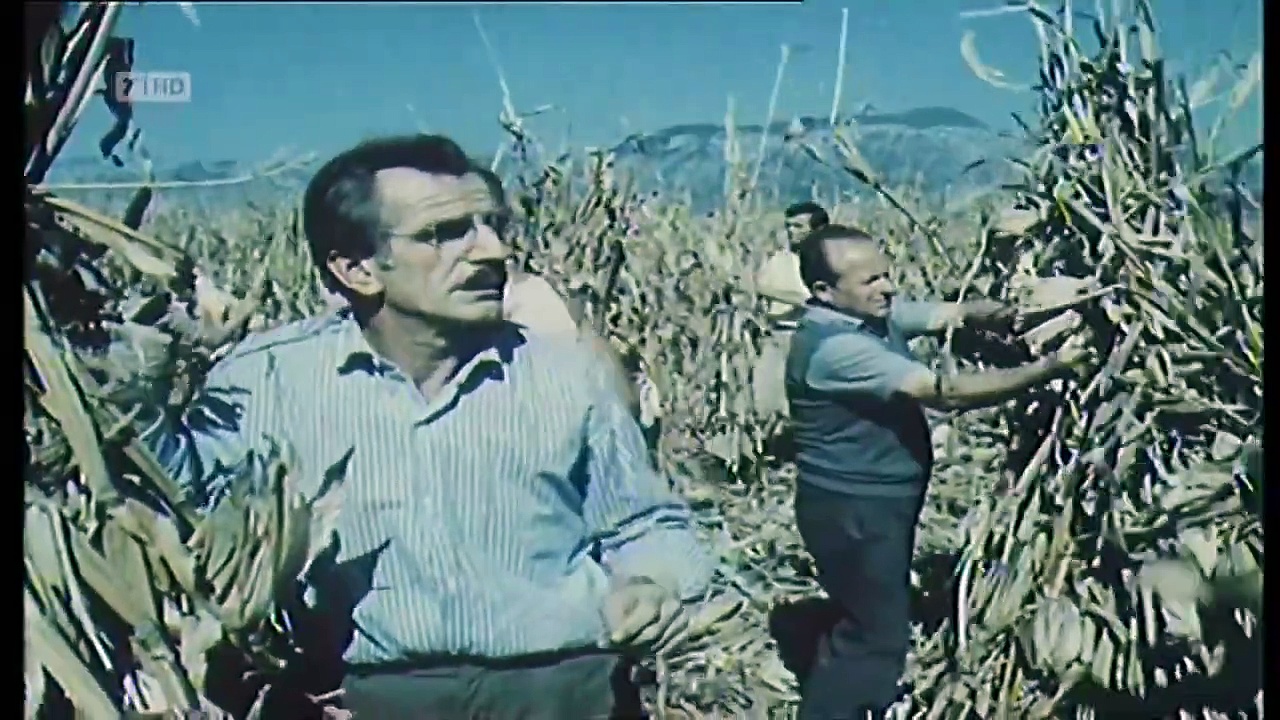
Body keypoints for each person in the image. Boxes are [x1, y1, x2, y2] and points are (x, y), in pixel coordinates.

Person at [137, 134, 714, 719]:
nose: (491, 250)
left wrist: (651, 583)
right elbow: (176, 509)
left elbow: (644, 521)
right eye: (444, 233)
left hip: (564, 692)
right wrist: (126, 384)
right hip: (360, 699)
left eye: (492, 225)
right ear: (357, 269)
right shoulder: (267, 380)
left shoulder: (567, 374)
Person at [784, 224, 1090, 719]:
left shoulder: (866, 315)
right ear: (824, 291)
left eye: (886, 275)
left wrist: (1005, 311)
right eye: (870, 281)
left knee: (868, 612)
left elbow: (945, 313)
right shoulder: (837, 349)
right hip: (854, 510)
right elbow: (946, 392)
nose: (886, 288)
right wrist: (1050, 367)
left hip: (873, 504)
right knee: (875, 637)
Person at [749, 201, 831, 427]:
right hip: (778, 337)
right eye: (789, 226)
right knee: (768, 401)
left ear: (818, 229)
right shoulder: (779, 259)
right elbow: (761, 286)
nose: (791, 232)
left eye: (798, 226)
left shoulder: (830, 262)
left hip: (812, 339)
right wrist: (805, 300)